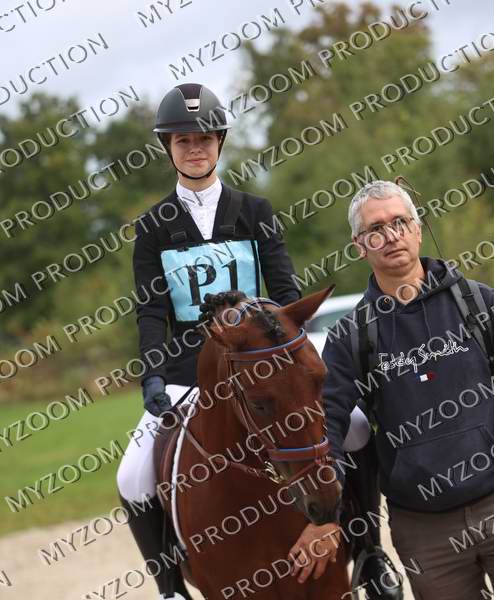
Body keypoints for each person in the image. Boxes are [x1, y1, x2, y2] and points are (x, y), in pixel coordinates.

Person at [114, 84, 393, 599]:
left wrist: (291, 352)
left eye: (203, 139)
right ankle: (171, 587)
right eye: (182, 141)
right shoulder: (153, 226)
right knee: (132, 476)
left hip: (263, 364)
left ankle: (371, 553)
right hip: (187, 373)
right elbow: (151, 310)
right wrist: (152, 374)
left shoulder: (254, 210)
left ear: (219, 142)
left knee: (355, 425)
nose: (194, 149)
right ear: (168, 148)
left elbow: (284, 291)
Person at [299, 180, 494, 599]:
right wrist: (325, 515)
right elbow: (329, 425)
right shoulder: (351, 335)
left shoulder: (479, 302)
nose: (391, 235)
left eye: (400, 222)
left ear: (417, 228)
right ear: (359, 246)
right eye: (376, 229)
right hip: (424, 531)